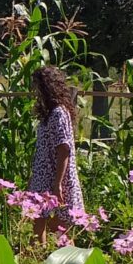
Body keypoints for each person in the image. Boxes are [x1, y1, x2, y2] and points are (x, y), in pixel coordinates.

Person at [29, 66, 84, 244]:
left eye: (38, 87)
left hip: (54, 179)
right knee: (37, 226)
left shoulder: (59, 113)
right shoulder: (49, 114)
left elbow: (64, 149)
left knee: (59, 230)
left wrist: (57, 184)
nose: (35, 92)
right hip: (42, 179)